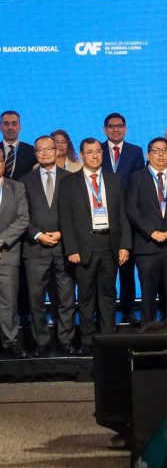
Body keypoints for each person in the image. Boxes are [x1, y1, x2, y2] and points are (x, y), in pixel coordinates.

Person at [59, 138, 132, 354]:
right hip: (83, 248)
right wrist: (71, 249)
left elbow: (123, 214)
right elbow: (65, 219)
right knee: (86, 296)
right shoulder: (69, 183)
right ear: (82, 155)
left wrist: (125, 245)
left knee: (108, 293)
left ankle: (108, 339)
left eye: (98, 151)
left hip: (110, 243)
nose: (95, 155)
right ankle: (88, 341)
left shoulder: (114, 179)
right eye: (90, 152)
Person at [126, 137, 167, 324]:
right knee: (148, 295)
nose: (161, 154)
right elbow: (132, 210)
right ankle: (147, 333)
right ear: (148, 155)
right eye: (156, 151)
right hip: (147, 246)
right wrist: (152, 232)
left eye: (165, 150)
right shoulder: (136, 178)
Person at [20, 136, 76, 355]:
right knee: (36, 301)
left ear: (57, 150)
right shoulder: (25, 181)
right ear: (35, 154)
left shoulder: (70, 178)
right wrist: (38, 235)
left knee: (66, 299)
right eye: (39, 150)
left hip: (64, 248)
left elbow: (76, 213)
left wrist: (63, 233)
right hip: (35, 249)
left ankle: (66, 341)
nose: (44, 153)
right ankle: (41, 343)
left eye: (49, 149)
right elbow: (22, 215)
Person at [101, 112, 144, 326]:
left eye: (119, 126)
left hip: (128, 219)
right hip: (102, 217)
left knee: (127, 269)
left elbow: (137, 183)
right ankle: (104, 312)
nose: (116, 129)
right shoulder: (97, 149)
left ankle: (128, 310)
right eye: (111, 126)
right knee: (105, 270)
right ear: (105, 130)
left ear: (125, 128)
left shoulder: (135, 151)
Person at [0, 148, 29, 358]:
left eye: (0, 160)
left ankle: (10, 341)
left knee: (8, 302)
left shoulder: (16, 187)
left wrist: (1, 241)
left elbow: (22, 219)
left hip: (7, 253)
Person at [0, 110, 36, 180]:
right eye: (6, 124)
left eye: (14, 124)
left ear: (20, 127)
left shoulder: (31, 151)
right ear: (0, 127)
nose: (10, 127)